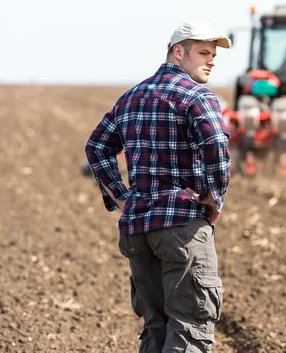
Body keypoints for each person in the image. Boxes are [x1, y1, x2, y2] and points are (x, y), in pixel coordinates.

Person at [84, 21, 232, 352]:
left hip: (137, 231)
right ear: (178, 52)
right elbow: (216, 147)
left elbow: (96, 147)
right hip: (181, 228)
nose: (211, 61)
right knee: (190, 328)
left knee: (156, 328)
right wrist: (214, 198)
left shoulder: (131, 97)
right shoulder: (198, 97)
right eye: (204, 53)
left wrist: (123, 199)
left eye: (214, 54)